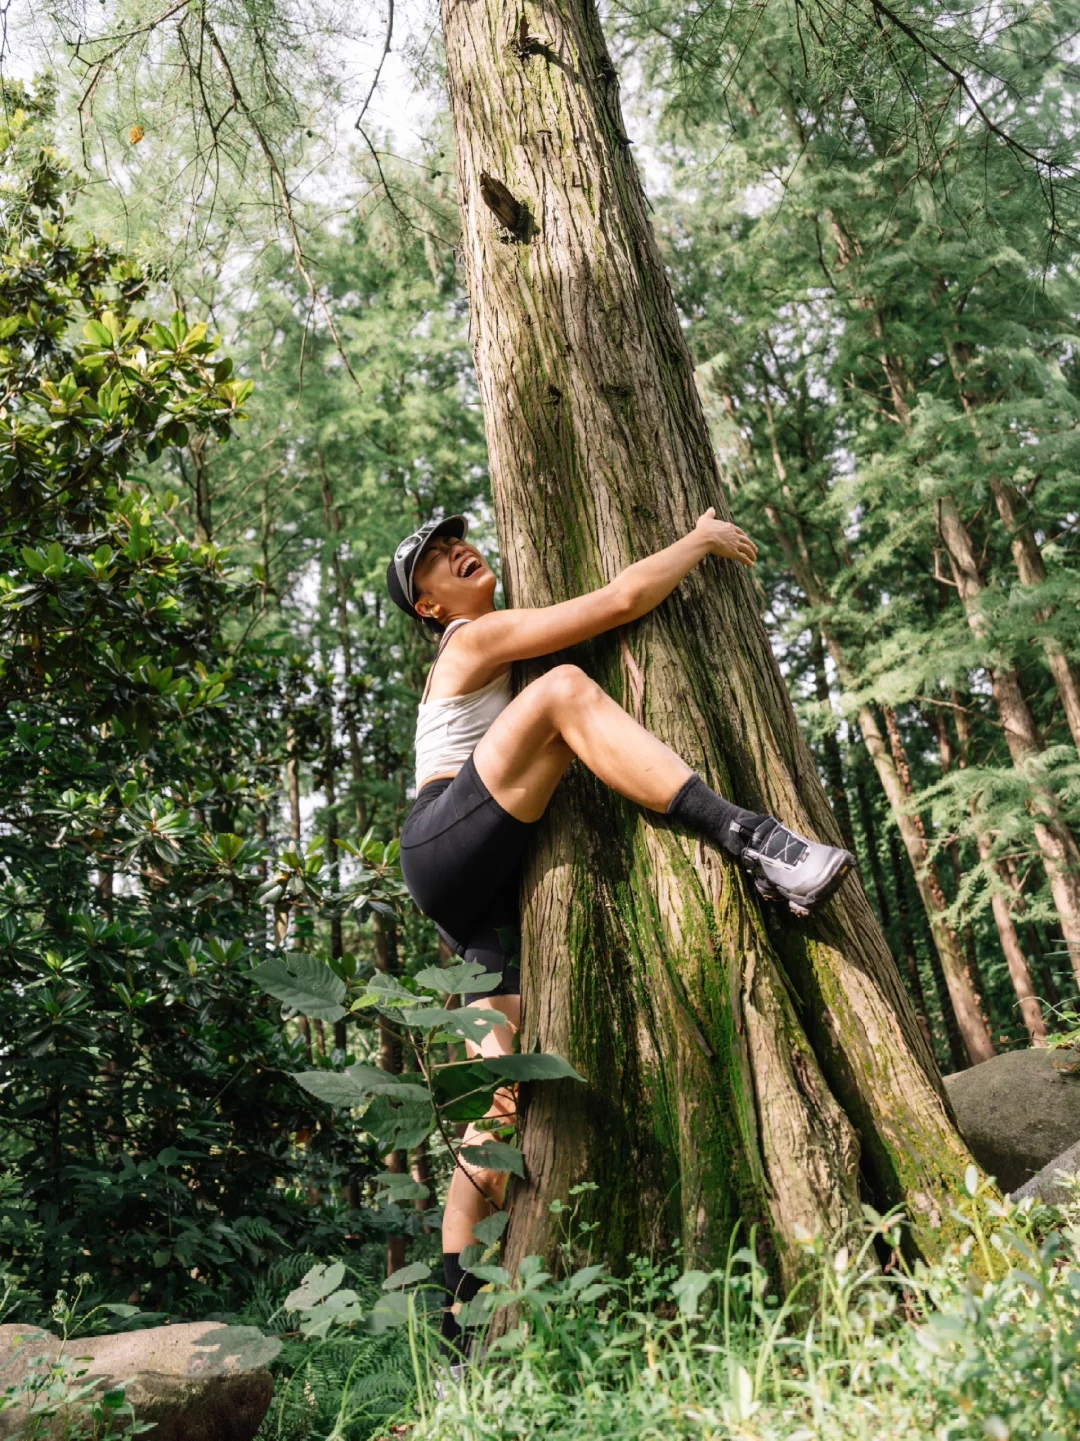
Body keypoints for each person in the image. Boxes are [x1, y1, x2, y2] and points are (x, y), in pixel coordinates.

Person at [385, 510, 855, 1357]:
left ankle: (456, 1341)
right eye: (435, 559)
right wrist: (701, 537)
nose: (458, 549)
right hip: (444, 845)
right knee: (564, 688)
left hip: (476, 880)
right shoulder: (470, 639)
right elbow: (621, 598)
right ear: (428, 607)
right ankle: (756, 841)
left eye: (457, 536)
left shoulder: (487, 636)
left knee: (497, 1105)